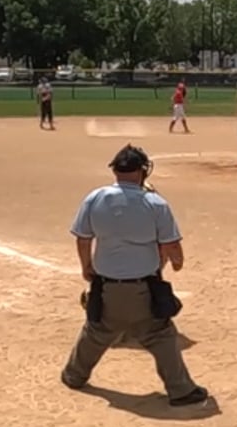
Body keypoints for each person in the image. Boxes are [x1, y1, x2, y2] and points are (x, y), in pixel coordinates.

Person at [61, 145, 210, 407]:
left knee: (97, 331)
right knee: (160, 334)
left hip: (106, 287)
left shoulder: (95, 198)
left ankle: (74, 375)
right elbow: (171, 246)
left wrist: (86, 267)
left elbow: (83, 238)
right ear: (142, 171)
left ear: (115, 170)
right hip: (143, 289)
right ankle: (181, 390)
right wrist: (177, 263)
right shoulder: (155, 203)